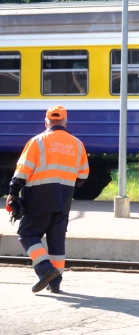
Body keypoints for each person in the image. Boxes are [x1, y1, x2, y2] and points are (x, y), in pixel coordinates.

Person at [5, 105, 89, 293]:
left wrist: (13, 191)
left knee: (27, 233)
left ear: (46, 122)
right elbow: (83, 176)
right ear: (65, 122)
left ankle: (45, 269)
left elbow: (23, 171)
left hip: (38, 197)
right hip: (64, 199)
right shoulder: (77, 144)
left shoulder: (37, 141)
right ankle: (55, 283)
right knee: (56, 241)